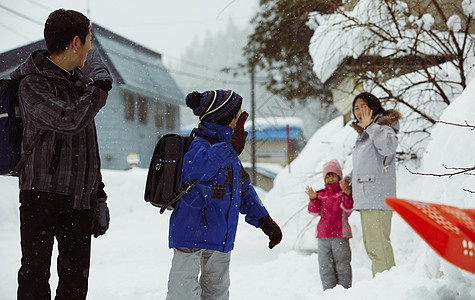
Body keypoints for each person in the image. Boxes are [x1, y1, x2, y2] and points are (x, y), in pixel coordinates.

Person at [10, 9, 112, 300]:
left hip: (79, 200)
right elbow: (69, 119)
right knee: (34, 279)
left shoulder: (79, 83)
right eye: (90, 41)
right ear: (76, 42)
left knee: (75, 286)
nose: (91, 48)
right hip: (41, 195)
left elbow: (87, 147)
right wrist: (101, 86)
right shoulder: (33, 83)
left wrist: (99, 196)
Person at [166, 90, 283, 300]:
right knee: (183, 291)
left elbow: (244, 189)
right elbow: (199, 167)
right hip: (191, 232)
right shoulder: (198, 145)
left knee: (217, 291)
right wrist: (230, 148)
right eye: (237, 114)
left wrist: (265, 221)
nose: (241, 119)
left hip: (219, 235)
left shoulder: (229, 155)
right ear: (224, 118)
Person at [340, 92, 402, 277]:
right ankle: (382, 287)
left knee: (379, 248)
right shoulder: (365, 135)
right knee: (373, 248)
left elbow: (389, 148)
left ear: (373, 108)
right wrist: (349, 178)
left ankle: (389, 290)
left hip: (378, 199)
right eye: (356, 108)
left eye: (363, 106)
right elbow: (368, 165)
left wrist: (371, 128)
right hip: (366, 199)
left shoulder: (383, 129)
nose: (359, 111)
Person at [306, 159, 353, 290]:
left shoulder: (343, 193)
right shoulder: (320, 194)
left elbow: (349, 208)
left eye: (334, 175)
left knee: (342, 265)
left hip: (340, 234)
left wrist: (348, 194)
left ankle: (345, 291)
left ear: (339, 176)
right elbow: (313, 211)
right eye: (328, 176)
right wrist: (313, 199)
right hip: (323, 236)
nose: (331, 178)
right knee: (324, 265)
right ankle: (329, 292)